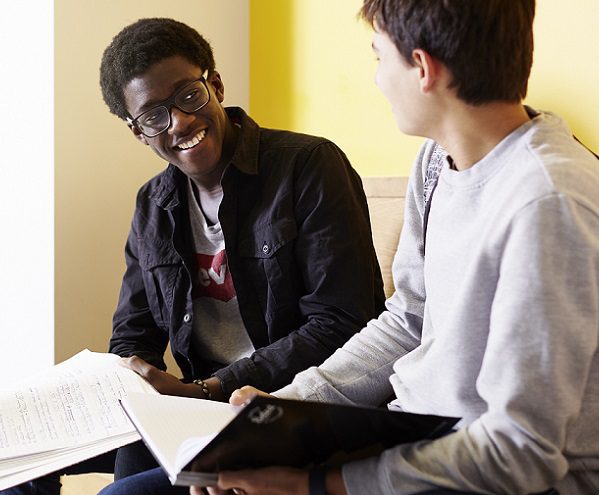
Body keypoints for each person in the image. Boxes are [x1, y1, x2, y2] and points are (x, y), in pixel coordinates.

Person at [181, 1, 597, 494]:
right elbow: (409, 318)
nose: (376, 78)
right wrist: (282, 414)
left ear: (422, 68)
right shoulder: (437, 162)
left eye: (379, 56)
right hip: (414, 441)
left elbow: (520, 450)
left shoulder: (548, 203)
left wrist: (318, 485)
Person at [2, 17, 385, 495]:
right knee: (17, 462)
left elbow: (340, 321)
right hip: (197, 407)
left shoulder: (308, 166)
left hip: (287, 407)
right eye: (154, 116)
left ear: (215, 85)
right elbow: (133, 333)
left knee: (123, 493)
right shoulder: (152, 204)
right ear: (138, 132)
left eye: (188, 96)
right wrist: (132, 383)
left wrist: (211, 388)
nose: (180, 122)